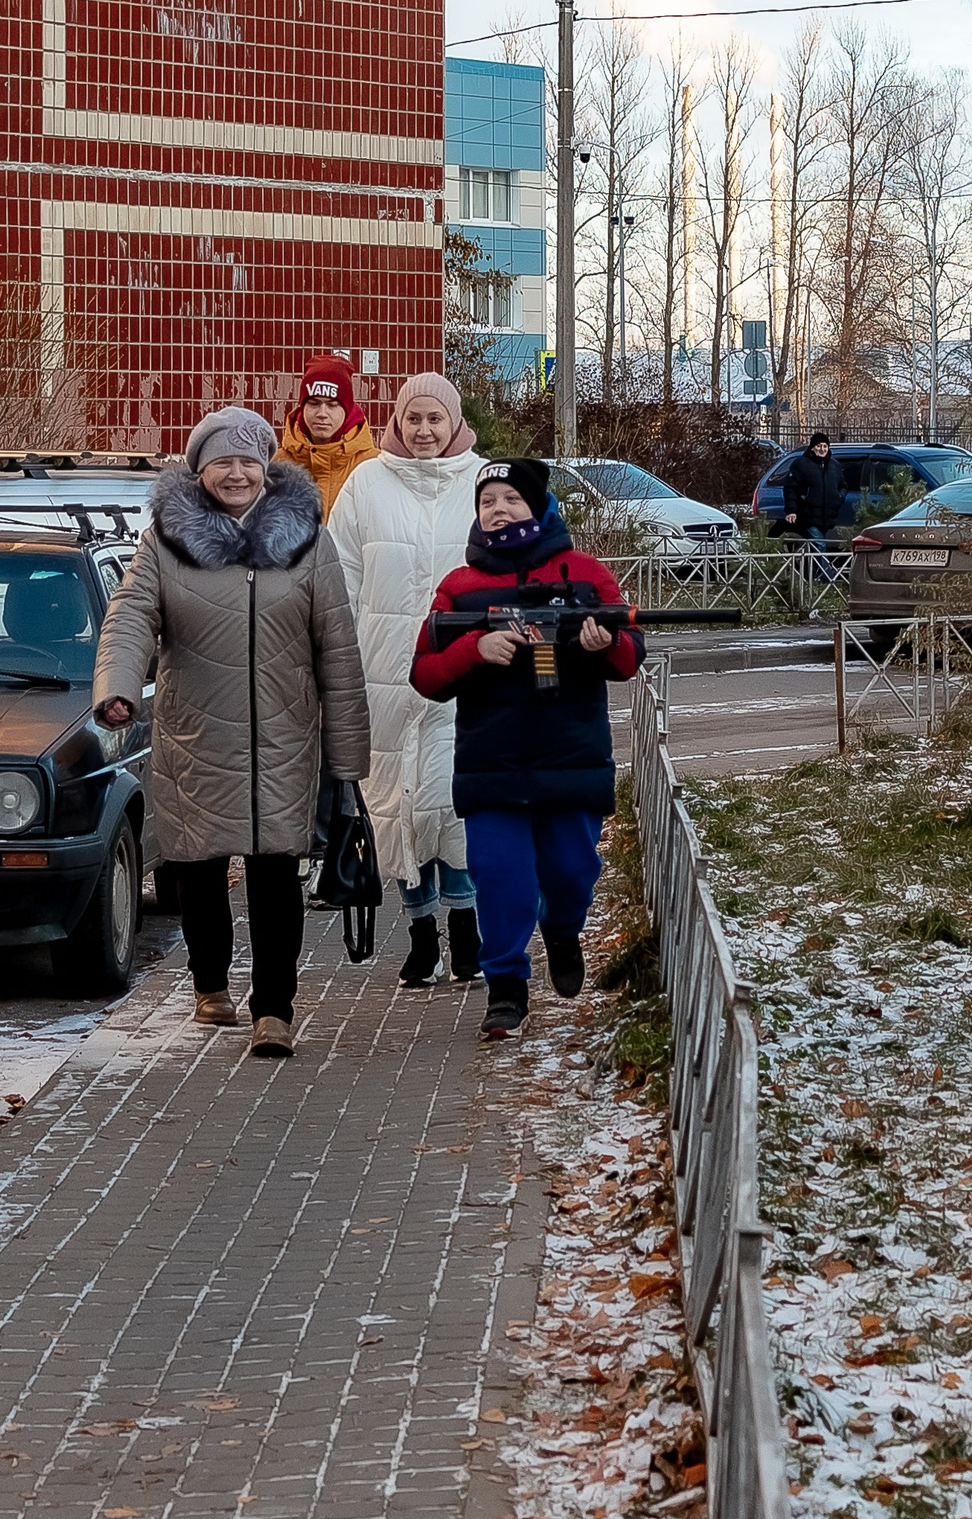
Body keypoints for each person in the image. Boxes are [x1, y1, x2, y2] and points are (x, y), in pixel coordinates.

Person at [92, 405, 369, 1059]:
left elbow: (338, 646)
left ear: (268, 467)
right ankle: (209, 983)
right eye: (223, 462)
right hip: (196, 735)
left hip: (284, 736)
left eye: (249, 460)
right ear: (201, 470)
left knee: (277, 875)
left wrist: (349, 755)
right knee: (199, 869)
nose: (238, 473)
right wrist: (118, 689)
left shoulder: (307, 538)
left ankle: (275, 1009)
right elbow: (131, 616)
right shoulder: (166, 539)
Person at [410, 457, 641, 1039]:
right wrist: (474, 651)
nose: (499, 510)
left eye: (511, 499)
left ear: (539, 507)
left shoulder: (585, 574)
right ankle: (506, 987)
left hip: (572, 758)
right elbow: (425, 675)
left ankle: (563, 931)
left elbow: (629, 656)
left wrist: (603, 642)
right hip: (493, 763)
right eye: (488, 502)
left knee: (571, 871)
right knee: (501, 879)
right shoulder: (459, 589)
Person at [328, 372, 486, 987]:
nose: (424, 431)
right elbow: (339, 574)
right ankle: (421, 934)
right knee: (395, 805)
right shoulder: (367, 482)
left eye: (435, 419)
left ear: (454, 424)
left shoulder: (482, 479)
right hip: (385, 671)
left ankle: (466, 932)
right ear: (397, 422)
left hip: (467, 670)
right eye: (413, 419)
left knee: (457, 804)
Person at [279, 352, 381, 516]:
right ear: (302, 408)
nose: (322, 413)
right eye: (313, 403)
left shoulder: (375, 466)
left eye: (332, 405)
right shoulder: (276, 465)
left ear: (347, 410)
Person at [780, 430, 843, 570]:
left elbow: (843, 486)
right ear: (813, 447)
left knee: (817, 547)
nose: (822, 449)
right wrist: (791, 510)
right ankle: (824, 579)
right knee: (819, 545)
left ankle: (812, 578)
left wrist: (839, 497)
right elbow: (790, 488)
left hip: (827, 516)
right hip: (808, 514)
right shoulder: (801, 464)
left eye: (825, 446)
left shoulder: (834, 466)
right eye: (819, 446)